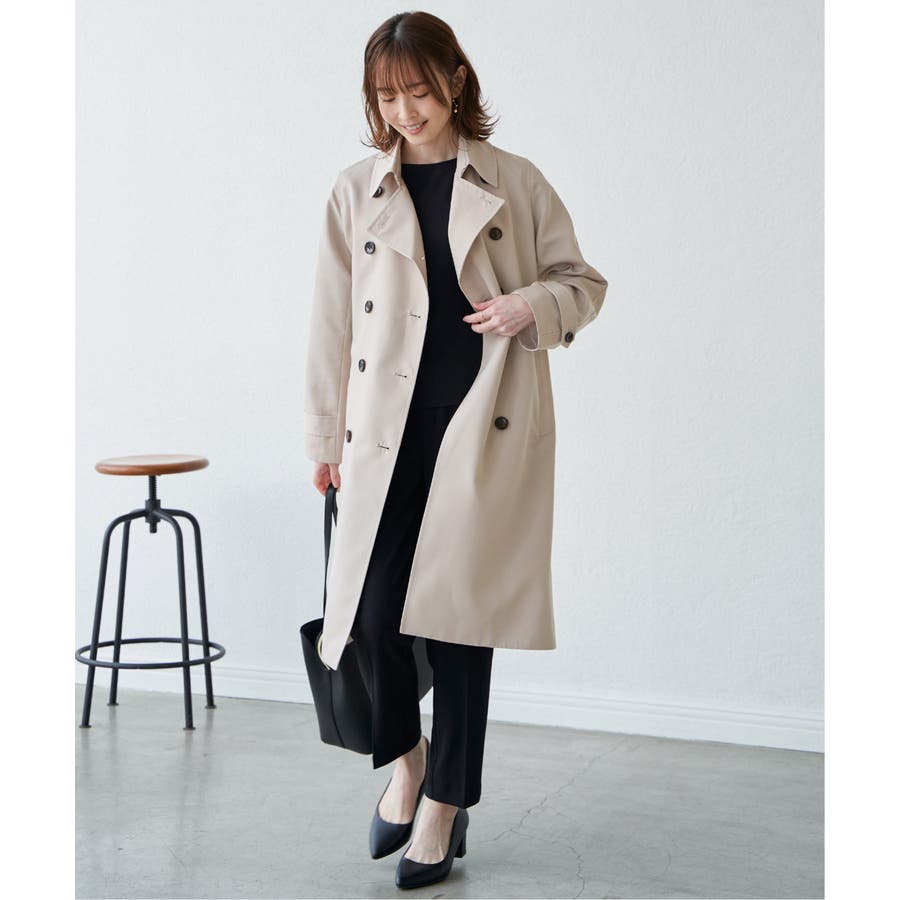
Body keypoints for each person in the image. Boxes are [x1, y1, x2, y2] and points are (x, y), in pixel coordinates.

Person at [304, 10, 608, 890]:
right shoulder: (354, 191)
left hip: (482, 421)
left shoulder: (515, 182)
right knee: (369, 615)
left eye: (418, 91)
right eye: (385, 96)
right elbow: (330, 325)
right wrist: (323, 435)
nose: (403, 111)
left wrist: (528, 307)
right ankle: (408, 763)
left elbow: (582, 283)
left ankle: (443, 805)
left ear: (456, 82)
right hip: (382, 430)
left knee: (462, 623)